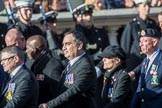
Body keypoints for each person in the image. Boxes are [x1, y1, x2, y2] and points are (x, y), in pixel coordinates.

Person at [39, 30, 97, 108]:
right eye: (63, 45)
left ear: (79, 45)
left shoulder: (85, 66)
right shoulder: (72, 64)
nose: (63, 48)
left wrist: (49, 105)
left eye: (68, 44)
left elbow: (74, 91)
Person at [120, 0, 158, 93]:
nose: (147, 8)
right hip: (136, 62)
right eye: (144, 6)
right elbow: (125, 47)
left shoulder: (152, 23)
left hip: (151, 61)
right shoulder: (132, 24)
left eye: (148, 5)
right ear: (137, 8)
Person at [26, 35, 64, 104]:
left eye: (27, 48)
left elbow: (60, 95)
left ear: (34, 50)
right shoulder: (38, 62)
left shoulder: (52, 67)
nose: (26, 51)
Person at [131, 28, 162, 108]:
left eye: (144, 41)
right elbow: (140, 87)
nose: (140, 44)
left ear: (154, 42)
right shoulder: (145, 61)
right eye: (140, 41)